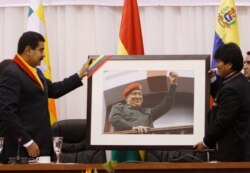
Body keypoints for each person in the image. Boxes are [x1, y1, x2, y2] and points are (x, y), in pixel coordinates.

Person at [0, 31, 91, 163]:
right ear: (28, 50)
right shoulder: (11, 73)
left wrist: (80, 74)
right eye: (41, 50)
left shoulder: (36, 71)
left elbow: (55, 89)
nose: (43, 55)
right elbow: (7, 112)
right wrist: (28, 142)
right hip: (23, 150)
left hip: (41, 147)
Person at [194, 43, 250, 162]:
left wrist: (205, 142)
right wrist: (213, 80)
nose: (216, 65)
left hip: (233, 156)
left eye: (219, 61)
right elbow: (222, 100)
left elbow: (222, 121)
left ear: (229, 64)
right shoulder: (237, 81)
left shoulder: (232, 88)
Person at [109, 72, 178, 134]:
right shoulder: (119, 107)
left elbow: (165, 106)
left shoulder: (148, 112)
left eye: (139, 94)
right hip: (126, 145)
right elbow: (115, 119)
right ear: (126, 98)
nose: (138, 96)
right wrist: (133, 128)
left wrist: (173, 84)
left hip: (145, 145)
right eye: (134, 93)